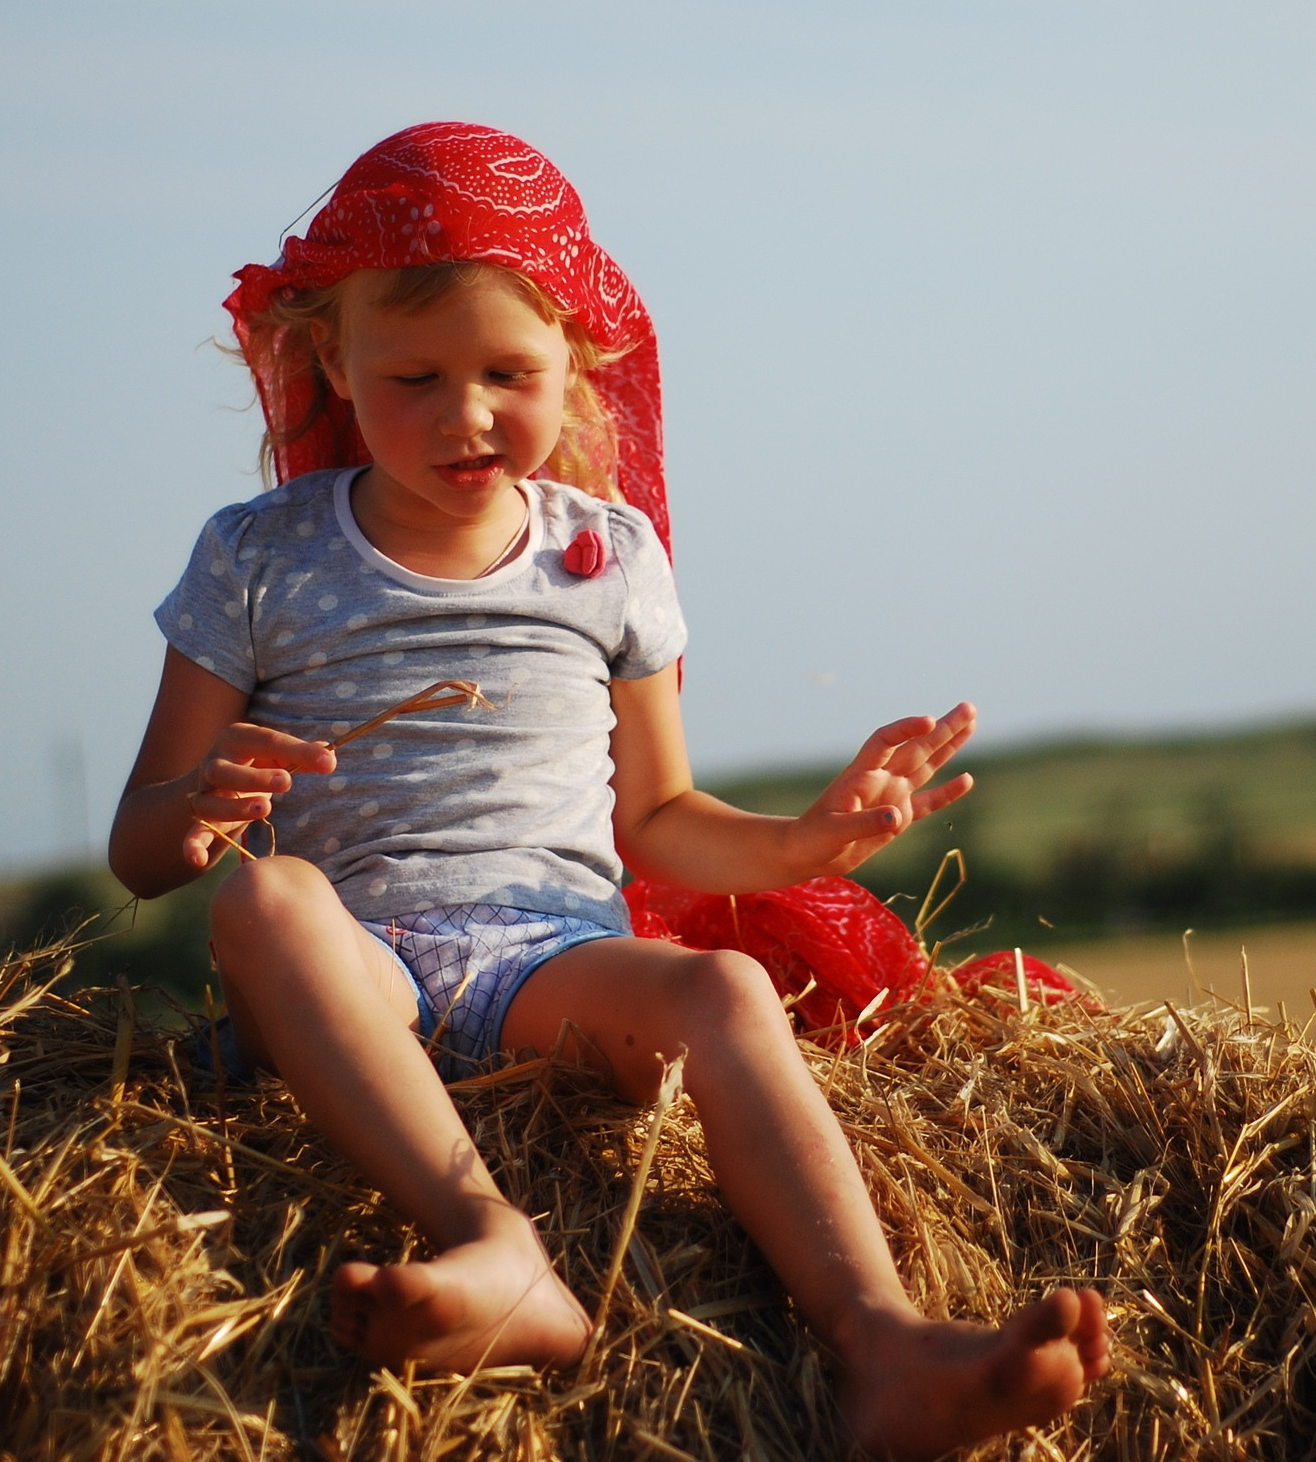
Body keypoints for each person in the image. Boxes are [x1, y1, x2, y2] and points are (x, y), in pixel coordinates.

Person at [109, 124, 1110, 1459]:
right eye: (414, 375)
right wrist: (202, 801)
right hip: (355, 969)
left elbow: (660, 819)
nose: (466, 412)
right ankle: (493, 1244)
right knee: (269, 901)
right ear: (329, 358)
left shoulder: (606, 555)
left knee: (725, 990)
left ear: (576, 360)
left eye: (506, 373)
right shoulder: (256, 556)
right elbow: (139, 849)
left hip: (554, 966)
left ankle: (886, 1343)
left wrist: (819, 833)